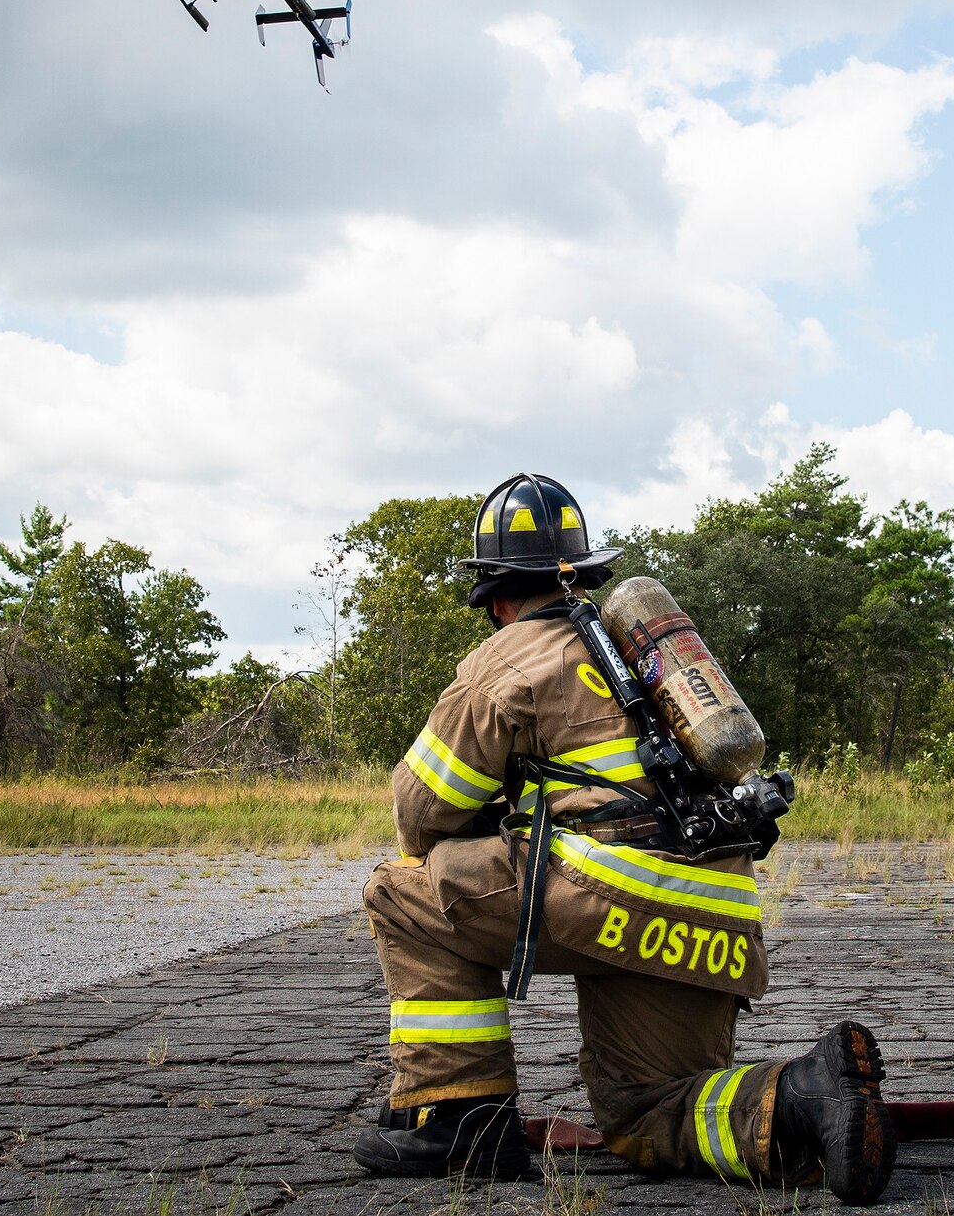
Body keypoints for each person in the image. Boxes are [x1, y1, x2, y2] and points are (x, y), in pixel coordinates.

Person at [352, 472, 896, 1203]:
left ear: (496, 596)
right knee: (649, 1107)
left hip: (606, 895)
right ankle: (804, 1098)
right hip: (712, 917)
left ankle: (456, 1115)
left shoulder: (508, 657)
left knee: (403, 889)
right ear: (580, 572)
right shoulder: (637, 650)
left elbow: (418, 812)